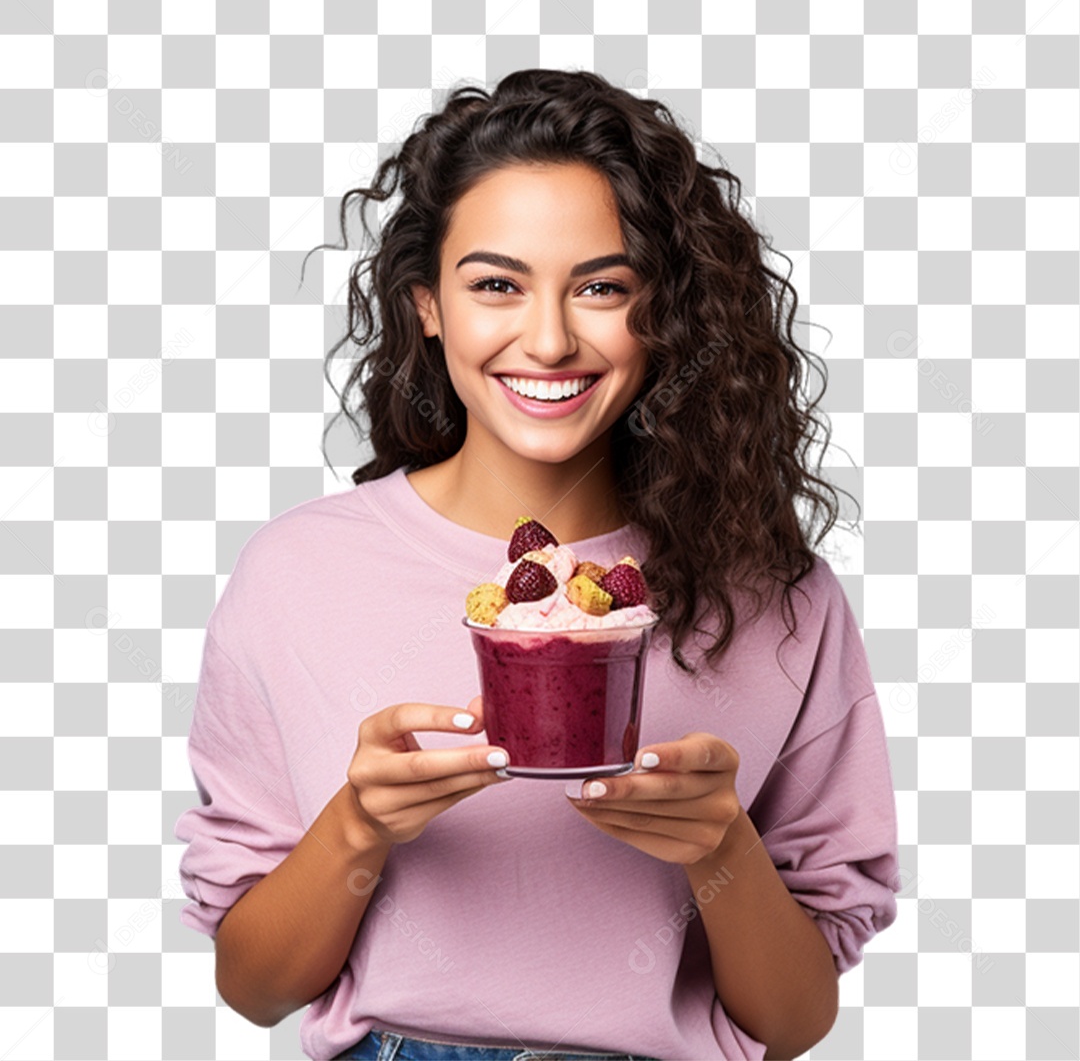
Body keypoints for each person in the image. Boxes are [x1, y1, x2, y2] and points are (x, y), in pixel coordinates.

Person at [174, 68, 901, 1061]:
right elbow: (256, 989)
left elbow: (795, 1022)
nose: (550, 340)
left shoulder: (777, 596)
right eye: (496, 285)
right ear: (428, 304)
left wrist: (721, 847)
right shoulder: (296, 575)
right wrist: (358, 826)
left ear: (665, 311)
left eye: (602, 287)